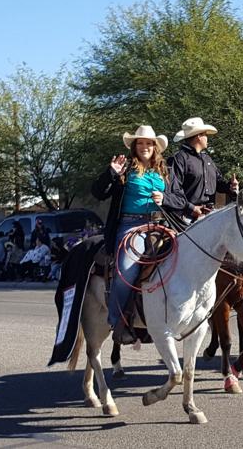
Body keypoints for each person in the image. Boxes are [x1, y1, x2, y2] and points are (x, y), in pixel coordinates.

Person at [90, 125, 186, 344]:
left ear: (155, 147)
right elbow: (98, 192)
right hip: (131, 226)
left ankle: (181, 317)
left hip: (162, 224)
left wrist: (166, 199)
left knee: (189, 260)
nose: (144, 147)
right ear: (135, 147)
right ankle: (118, 322)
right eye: (140, 143)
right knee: (126, 271)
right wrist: (111, 173)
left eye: (149, 143)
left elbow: (181, 200)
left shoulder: (165, 170)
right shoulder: (125, 170)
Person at [166, 117, 239, 223]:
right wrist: (191, 208)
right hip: (186, 218)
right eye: (205, 135)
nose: (207, 138)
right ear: (199, 136)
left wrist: (230, 187)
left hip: (210, 216)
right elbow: (174, 190)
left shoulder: (207, 159)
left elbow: (219, 183)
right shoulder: (178, 159)